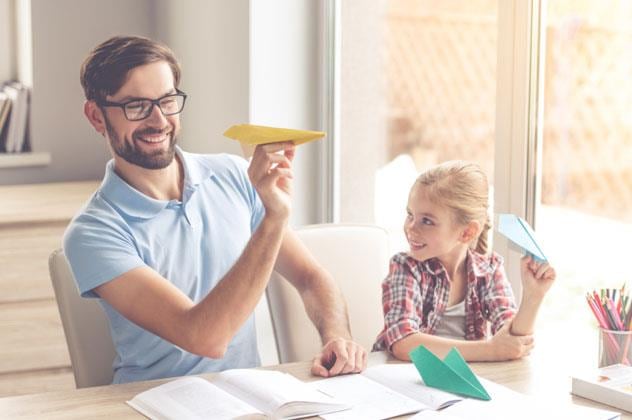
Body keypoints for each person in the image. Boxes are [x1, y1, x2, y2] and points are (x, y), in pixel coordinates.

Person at [64, 35, 366, 384]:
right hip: (153, 402)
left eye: (167, 100)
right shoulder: (93, 232)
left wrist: (336, 335)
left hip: (248, 394)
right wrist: (274, 218)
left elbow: (311, 278)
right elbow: (204, 337)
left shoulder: (235, 176)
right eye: (136, 106)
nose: (159, 120)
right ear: (96, 117)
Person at [373, 160, 556, 361]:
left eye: (427, 221)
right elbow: (404, 343)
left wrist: (533, 296)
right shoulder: (405, 267)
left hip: (462, 383)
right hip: (402, 380)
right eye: (410, 215)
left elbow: (513, 342)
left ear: (467, 232)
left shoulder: (489, 269)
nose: (410, 228)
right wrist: (490, 350)